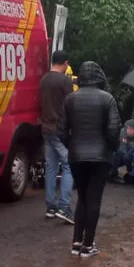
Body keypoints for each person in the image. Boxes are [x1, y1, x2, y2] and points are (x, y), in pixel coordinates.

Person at [59, 61, 122, 258]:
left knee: (83, 199)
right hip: (100, 157)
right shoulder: (108, 99)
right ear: (98, 77)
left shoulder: (70, 100)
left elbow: (61, 131)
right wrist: (111, 148)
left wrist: (73, 146)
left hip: (77, 156)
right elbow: (113, 130)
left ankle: (76, 242)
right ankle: (88, 245)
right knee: (94, 199)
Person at [40, 50, 74, 224]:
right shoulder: (65, 81)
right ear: (65, 63)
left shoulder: (44, 80)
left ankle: (51, 207)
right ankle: (64, 207)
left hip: (46, 128)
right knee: (68, 166)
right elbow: (71, 105)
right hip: (60, 131)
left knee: (51, 168)